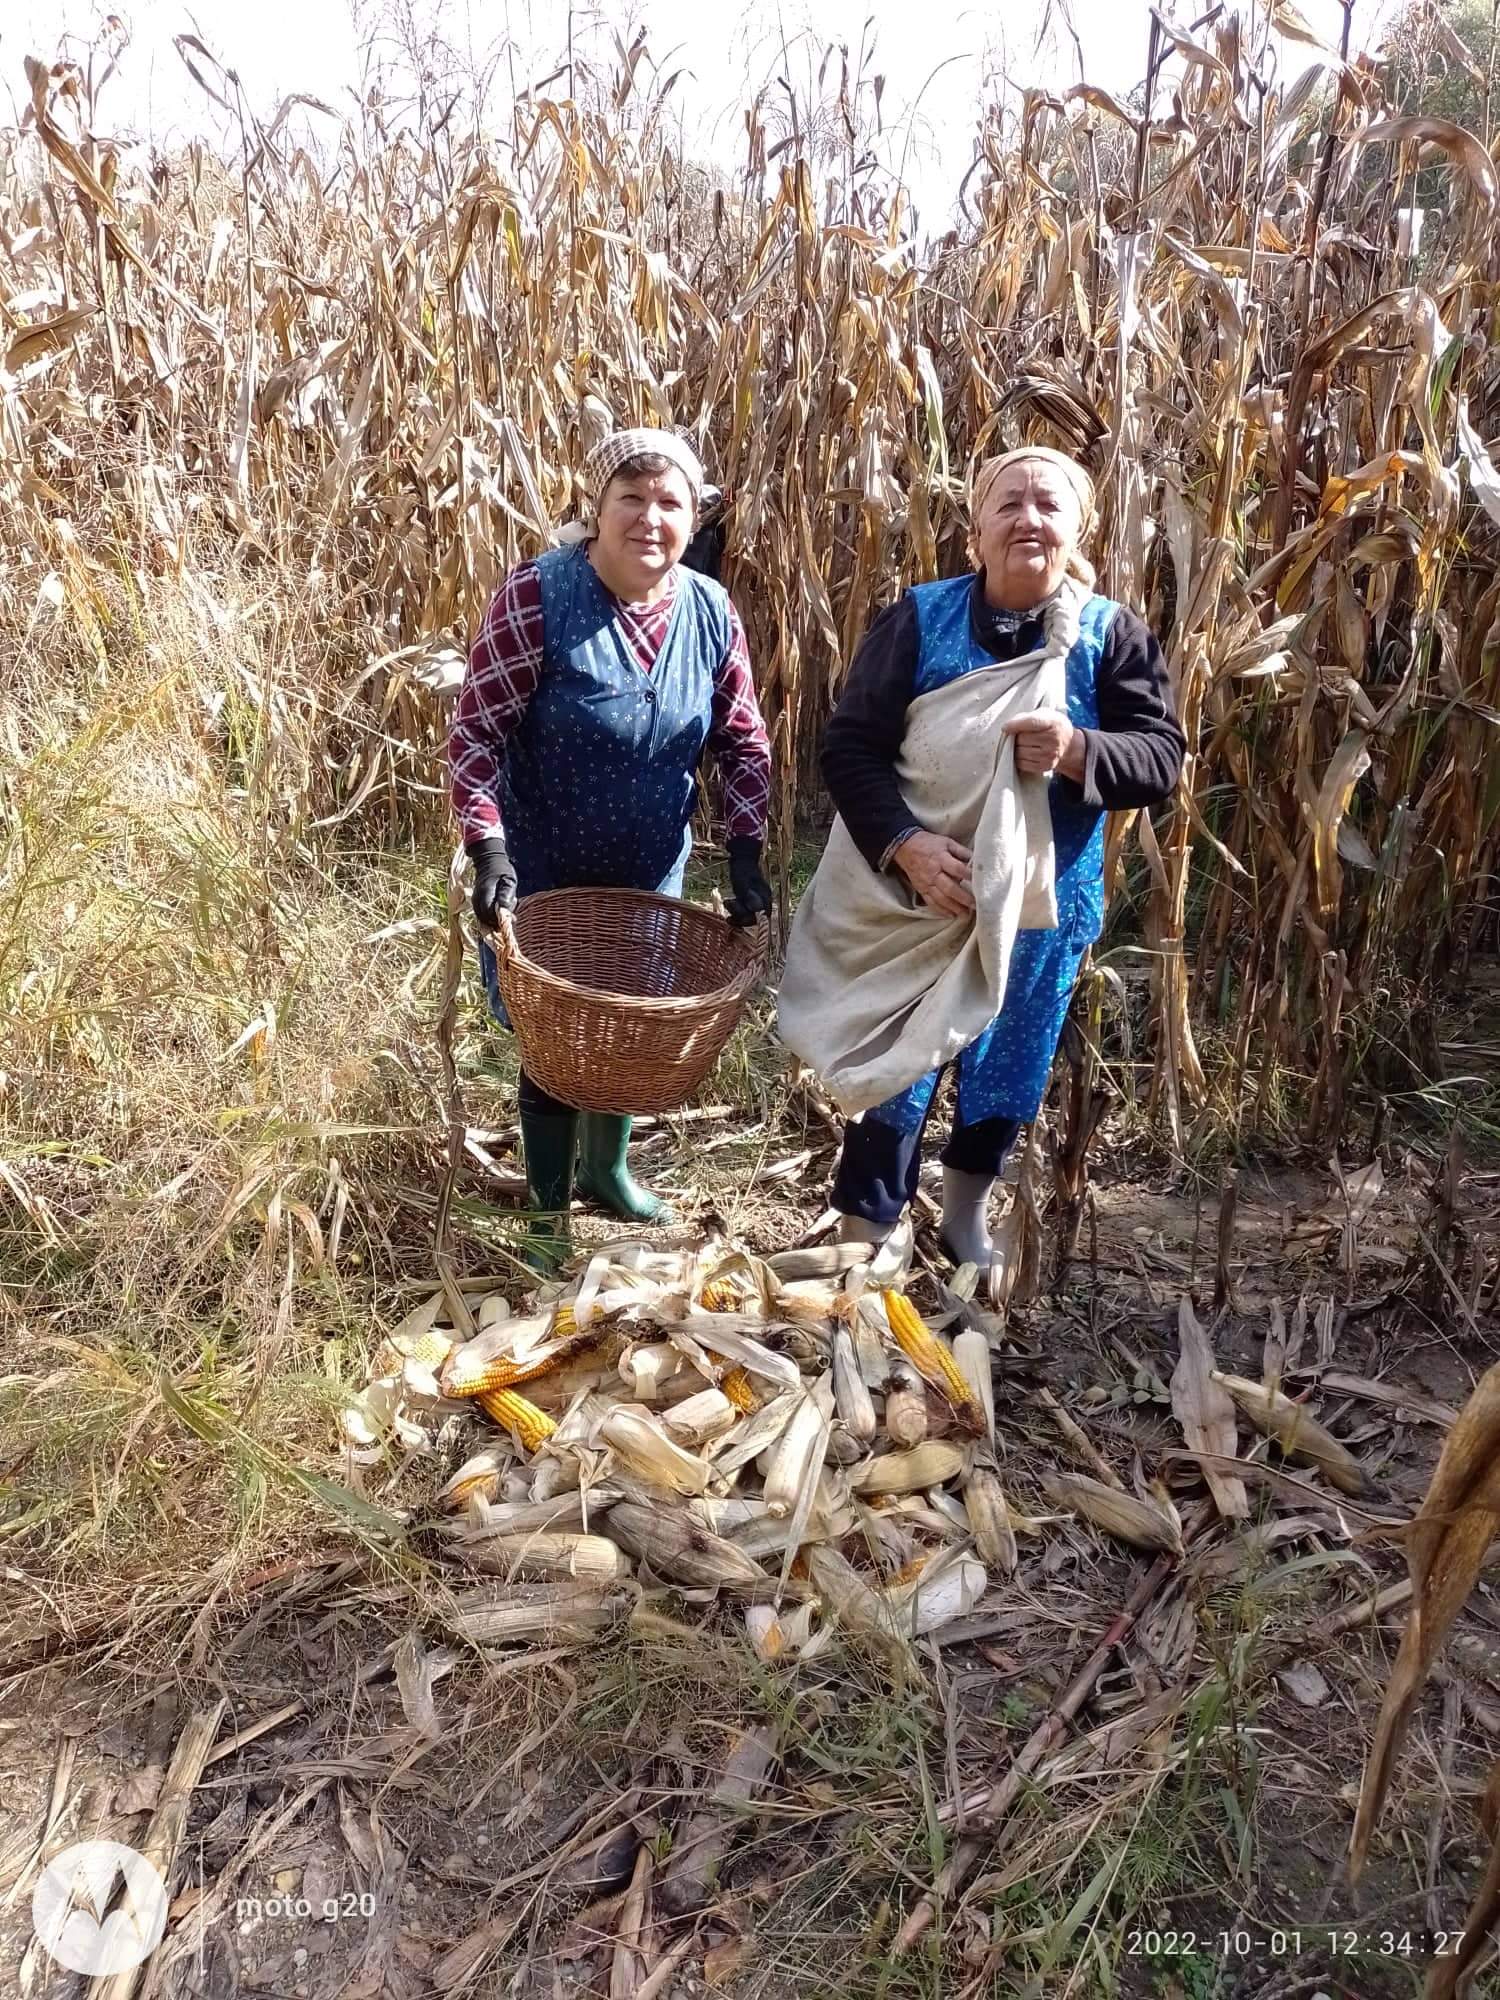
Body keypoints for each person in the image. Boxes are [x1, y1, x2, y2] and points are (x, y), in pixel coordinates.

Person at [778, 445, 1185, 1271]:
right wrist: (907, 846)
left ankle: (966, 1215)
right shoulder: (919, 620)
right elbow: (852, 747)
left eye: (1048, 505)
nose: (1028, 519)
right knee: (899, 1061)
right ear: (975, 531)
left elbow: (1162, 760)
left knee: (1009, 1061)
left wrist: (1077, 751)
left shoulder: (1110, 637)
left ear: (1079, 530)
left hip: (1041, 905)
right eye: (1008, 504)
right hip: (919, 895)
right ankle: (868, 1229)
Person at [448, 428, 773, 1265]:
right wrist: (488, 848)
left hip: (646, 863)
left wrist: (745, 848)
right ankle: (548, 1213)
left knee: (627, 1025)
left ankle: (609, 1170)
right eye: (631, 498)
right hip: (545, 861)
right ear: (596, 510)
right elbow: (477, 736)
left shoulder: (709, 609)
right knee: (555, 1037)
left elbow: (742, 740)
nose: (649, 518)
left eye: (670, 502)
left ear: (693, 517)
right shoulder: (538, 596)